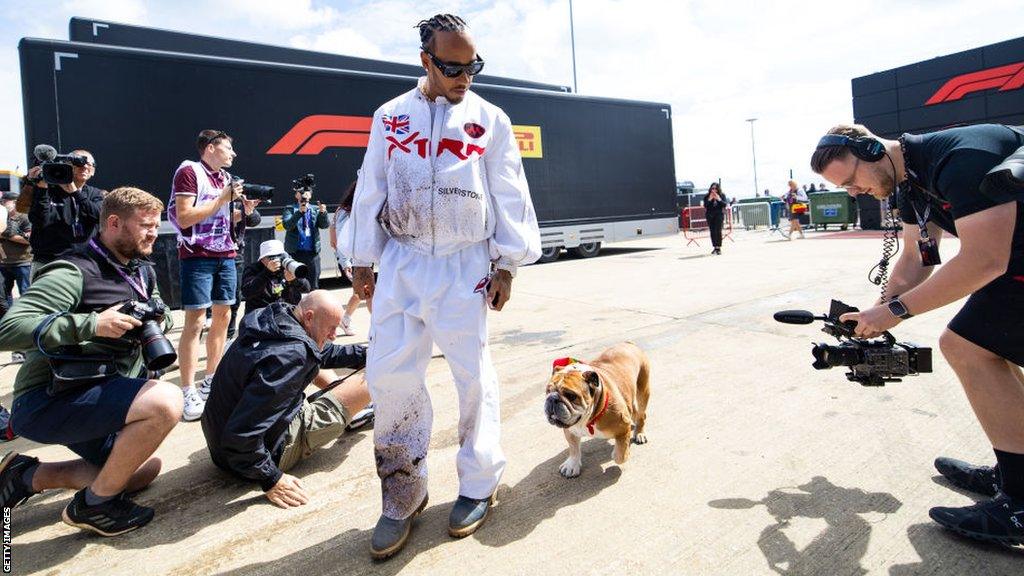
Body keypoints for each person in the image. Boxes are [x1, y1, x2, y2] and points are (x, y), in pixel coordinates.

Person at [343, 13, 541, 559]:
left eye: (473, 66)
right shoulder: (390, 117)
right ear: (425, 60)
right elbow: (371, 186)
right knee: (390, 377)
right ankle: (402, 494)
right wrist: (362, 258)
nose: (465, 78)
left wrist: (507, 264)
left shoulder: (491, 120)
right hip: (403, 264)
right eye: (453, 67)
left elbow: (510, 194)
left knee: (472, 376)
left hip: (464, 263)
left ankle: (478, 484)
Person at [811, 123, 1024, 545]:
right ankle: (1014, 470)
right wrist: (876, 311)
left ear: (872, 149)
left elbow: (984, 259)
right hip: (1014, 265)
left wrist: (895, 312)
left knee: (964, 346)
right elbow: (914, 260)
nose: (853, 192)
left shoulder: (959, 159)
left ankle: (1020, 505)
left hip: (1008, 264)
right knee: (982, 345)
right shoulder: (911, 184)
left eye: (852, 181)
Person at [0, 187, 182, 536]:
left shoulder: (142, 271)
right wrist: (92, 324)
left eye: (156, 226)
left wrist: (156, 320)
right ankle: (95, 506)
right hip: (50, 398)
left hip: (99, 397)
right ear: (113, 223)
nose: (154, 233)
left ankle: (26, 475)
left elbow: (161, 311)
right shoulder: (73, 271)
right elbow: (8, 329)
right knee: (165, 400)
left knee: (145, 470)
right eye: (145, 225)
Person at [201, 291, 370, 508]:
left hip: (219, 447)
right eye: (332, 328)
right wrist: (271, 478)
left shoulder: (275, 320)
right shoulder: (291, 356)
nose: (334, 335)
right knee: (377, 373)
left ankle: (338, 395)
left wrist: (366, 353)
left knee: (312, 354)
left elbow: (323, 351)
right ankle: (352, 410)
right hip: (248, 459)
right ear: (309, 316)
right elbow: (241, 436)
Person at [168, 130, 259, 421]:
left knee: (223, 317)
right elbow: (185, 217)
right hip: (197, 257)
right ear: (210, 148)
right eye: (228, 148)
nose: (233, 154)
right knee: (195, 322)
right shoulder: (189, 171)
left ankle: (211, 379)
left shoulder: (226, 180)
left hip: (227, 254)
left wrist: (241, 210)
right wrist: (222, 200)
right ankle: (187, 390)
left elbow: (222, 217)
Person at [23, 150, 104, 271]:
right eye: (79, 162)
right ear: (67, 166)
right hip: (49, 262)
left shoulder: (95, 194)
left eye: (89, 164)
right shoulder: (48, 190)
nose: (84, 166)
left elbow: (98, 216)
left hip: (85, 262)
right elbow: (40, 220)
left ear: (93, 171)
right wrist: (41, 188)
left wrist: (75, 193)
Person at [329, 180, 368, 336]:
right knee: (365, 292)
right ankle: (345, 320)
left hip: (361, 259)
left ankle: (345, 319)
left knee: (363, 293)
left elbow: (332, 237)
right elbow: (339, 240)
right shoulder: (347, 212)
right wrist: (345, 262)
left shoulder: (346, 210)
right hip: (352, 260)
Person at [241, 239, 311, 314]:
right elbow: (247, 292)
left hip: (286, 313)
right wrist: (267, 272)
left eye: (280, 256)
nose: (277, 260)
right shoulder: (254, 269)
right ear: (262, 259)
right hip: (260, 314)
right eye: (272, 257)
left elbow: (307, 288)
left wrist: (294, 280)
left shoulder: (287, 267)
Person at [280, 184, 329, 289]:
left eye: (307, 192)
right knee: (294, 284)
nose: (304, 194)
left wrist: (323, 213)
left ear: (310, 195)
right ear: (296, 195)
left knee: (313, 285)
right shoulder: (290, 209)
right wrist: (299, 212)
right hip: (295, 253)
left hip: (312, 254)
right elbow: (287, 225)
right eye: (301, 192)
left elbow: (324, 225)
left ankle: (313, 304)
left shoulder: (315, 209)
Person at [702, 182, 728, 255]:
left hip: (719, 215)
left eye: (715, 188)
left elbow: (724, 204)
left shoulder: (722, 195)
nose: (714, 190)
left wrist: (719, 199)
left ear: (718, 189)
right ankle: (715, 247)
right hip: (710, 216)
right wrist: (710, 199)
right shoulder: (707, 196)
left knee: (718, 231)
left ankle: (718, 247)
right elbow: (705, 206)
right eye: (712, 188)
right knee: (712, 231)